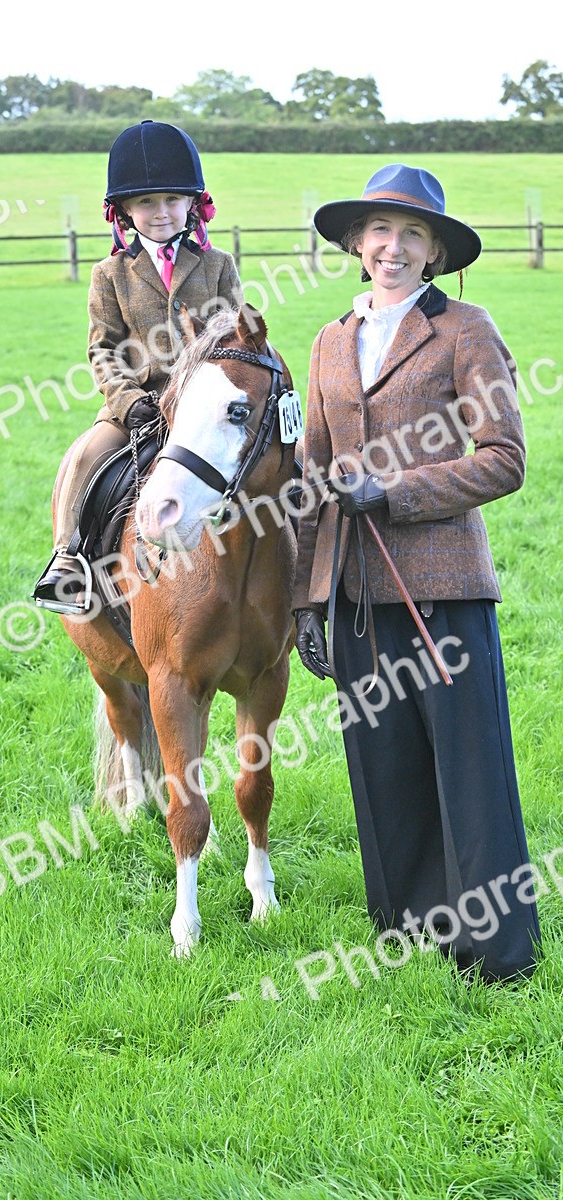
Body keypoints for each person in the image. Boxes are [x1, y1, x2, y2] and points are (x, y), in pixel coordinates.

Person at [292, 163, 540, 982]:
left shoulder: (466, 328)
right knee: (384, 766)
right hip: (359, 598)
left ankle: (497, 951)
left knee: (469, 771)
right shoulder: (330, 340)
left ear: (433, 252)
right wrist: (307, 598)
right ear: (359, 244)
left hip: (445, 591)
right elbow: (309, 478)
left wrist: (392, 491)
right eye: (379, 231)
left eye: (411, 234)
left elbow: (503, 460)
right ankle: (414, 933)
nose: (391, 247)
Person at [34, 120, 241, 613]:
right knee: (86, 455)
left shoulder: (219, 266)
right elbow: (103, 350)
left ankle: (298, 560)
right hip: (137, 407)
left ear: (192, 204)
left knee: (274, 460)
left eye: (172, 200)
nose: (161, 212)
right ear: (125, 210)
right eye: (147, 202)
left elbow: (233, 339)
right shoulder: (109, 274)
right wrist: (128, 404)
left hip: (203, 405)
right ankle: (67, 558)